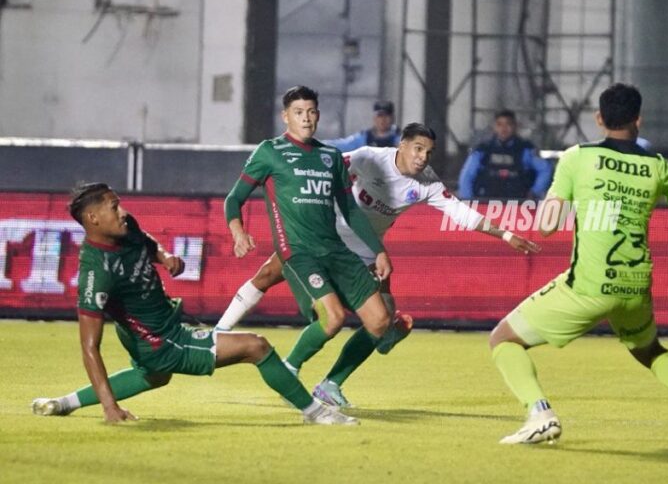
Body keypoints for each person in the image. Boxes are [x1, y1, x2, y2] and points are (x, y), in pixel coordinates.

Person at [488, 83, 668, 445]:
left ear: (599, 118)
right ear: (638, 120)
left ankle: (540, 414)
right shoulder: (658, 167)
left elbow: (547, 226)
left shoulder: (577, 157)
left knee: (503, 339)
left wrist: (565, 197)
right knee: (650, 350)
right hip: (635, 286)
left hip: (588, 287)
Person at [216, 122, 542, 408]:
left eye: (428, 152)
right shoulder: (368, 157)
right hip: (324, 237)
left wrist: (506, 234)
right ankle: (220, 333)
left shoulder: (426, 184)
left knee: (381, 318)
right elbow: (321, 168)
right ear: (401, 145)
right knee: (268, 275)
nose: (422, 157)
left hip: (365, 253)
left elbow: (462, 214)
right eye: (417, 149)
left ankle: (329, 384)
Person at [30, 183, 352, 425]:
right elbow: (89, 346)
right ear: (93, 219)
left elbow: (147, 242)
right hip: (160, 341)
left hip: (161, 327)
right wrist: (110, 408)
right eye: (114, 207)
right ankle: (315, 412)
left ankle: (64, 403)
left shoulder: (127, 228)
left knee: (153, 376)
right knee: (257, 347)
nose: (123, 211)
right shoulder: (95, 272)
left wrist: (165, 256)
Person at [224, 85, 395, 425]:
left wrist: (379, 251)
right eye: (299, 112)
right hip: (299, 253)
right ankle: (289, 368)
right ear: (285, 116)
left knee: (381, 321)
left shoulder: (330, 156)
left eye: (311, 111)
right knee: (332, 319)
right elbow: (234, 198)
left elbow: (350, 208)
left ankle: (330, 384)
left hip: (336, 249)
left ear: (318, 115)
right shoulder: (269, 152)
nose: (306, 117)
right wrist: (238, 231)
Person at [458, 109, 552, 200]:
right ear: (494, 127)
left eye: (508, 124)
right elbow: (466, 176)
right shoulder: (483, 150)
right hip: (486, 203)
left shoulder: (525, 149)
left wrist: (534, 192)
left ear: (515, 126)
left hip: (518, 205)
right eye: (499, 124)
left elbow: (545, 169)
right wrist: (468, 201)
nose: (504, 128)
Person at [329, 100, 401, 152]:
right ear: (374, 118)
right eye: (380, 116)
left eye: (386, 116)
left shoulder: (400, 139)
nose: (383, 120)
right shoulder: (365, 137)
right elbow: (342, 145)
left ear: (392, 118)